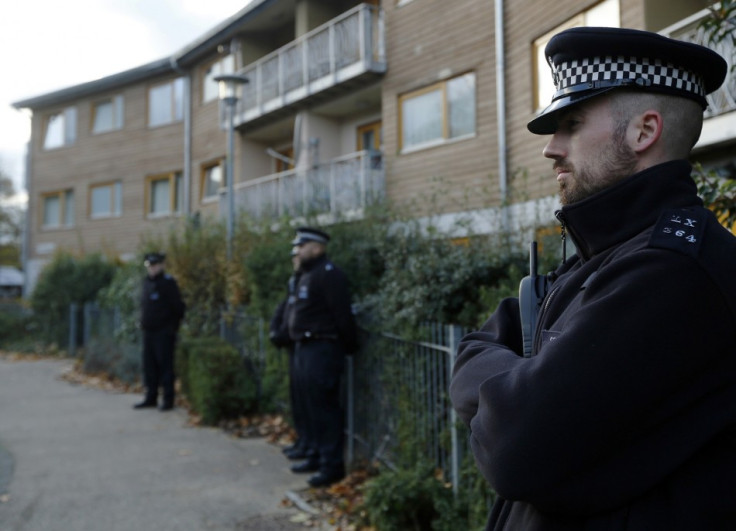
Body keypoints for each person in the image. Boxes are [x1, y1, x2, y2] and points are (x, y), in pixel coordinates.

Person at [450, 27, 736, 530]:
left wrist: (503, 387)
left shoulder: (675, 272)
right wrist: (508, 384)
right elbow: (476, 345)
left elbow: (518, 446)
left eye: (572, 123)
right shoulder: (600, 254)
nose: (551, 148)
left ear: (643, 132)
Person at [287, 226, 358, 487]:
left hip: (323, 349)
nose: (298, 251)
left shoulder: (329, 274)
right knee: (311, 407)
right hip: (306, 349)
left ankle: (331, 466)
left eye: (302, 246)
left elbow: (341, 315)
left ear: (317, 248)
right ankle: (316, 454)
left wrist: (348, 346)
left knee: (325, 410)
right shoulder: (308, 275)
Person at [269, 248, 314, 461]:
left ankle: (310, 446)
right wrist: (277, 330)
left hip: (305, 345)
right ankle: (303, 441)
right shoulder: (295, 281)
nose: (295, 260)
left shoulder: (308, 279)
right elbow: (285, 308)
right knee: (298, 400)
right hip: (293, 345)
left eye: (297, 256)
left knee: (310, 402)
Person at [134, 252, 186, 411]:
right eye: (150, 266)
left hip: (163, 332)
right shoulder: (147, 283)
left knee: (165, 367)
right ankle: (151, 397)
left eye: (155, 265)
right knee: (149, 367)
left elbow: (179, 308)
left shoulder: (167, 283)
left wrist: (172, 328)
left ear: (162, 265)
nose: (152, 268)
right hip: (148, 332)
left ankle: (168, 400)